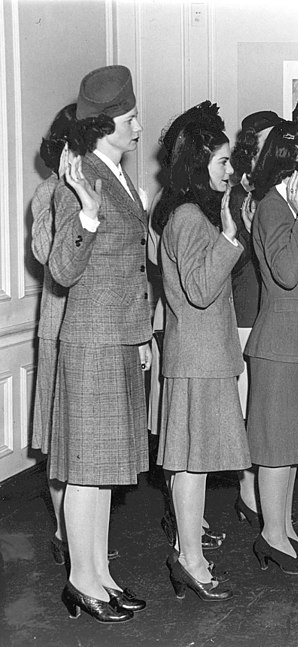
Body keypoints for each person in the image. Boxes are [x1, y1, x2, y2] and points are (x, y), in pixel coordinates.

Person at [49, 65, 150, 622]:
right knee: (88, 470)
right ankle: (81, 580)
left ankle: (101, 575)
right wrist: (86, 212)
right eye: (130, 118)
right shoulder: (80, 175)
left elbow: (132, 263)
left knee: (105, 466)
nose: (138, 125)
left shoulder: (115, 169)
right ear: (106, 123)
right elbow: (63, 267)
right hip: (90, 339)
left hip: (117, 336)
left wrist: (141, 337)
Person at [154, 108, 251, 600]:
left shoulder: (189, 213)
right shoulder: (189, 217)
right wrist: (231, 236)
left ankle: (188, 551)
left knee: (192, 464)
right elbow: (198, 288)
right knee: (191, 465)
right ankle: (189, 558)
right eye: (221, 162)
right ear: (198, 164)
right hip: (198, 359)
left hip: (200, 356)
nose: (228, 171)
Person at [30, 104, 121, 566]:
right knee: (61, 439)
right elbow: (51, 256)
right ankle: (66, 534)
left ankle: (84, 542)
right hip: (59, 327)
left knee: (86, 445)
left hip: (94, 328)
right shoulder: (50, 192)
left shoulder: (102, 183)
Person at [245, 121, 298, 574]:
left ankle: (284, 528)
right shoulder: (274, 207)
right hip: (279, 344)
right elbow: (288, 273)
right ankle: (271, 536)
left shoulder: (290, 204)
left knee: (293, 445)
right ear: (289, 159)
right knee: (277, 449)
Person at [229, 110, 285, 528]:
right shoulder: (235, 194)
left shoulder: (279, 193)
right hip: (246, 311)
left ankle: (264, 494)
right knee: (250, 409)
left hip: (275, 314)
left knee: (268, 411)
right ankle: (248, 492)